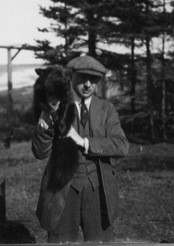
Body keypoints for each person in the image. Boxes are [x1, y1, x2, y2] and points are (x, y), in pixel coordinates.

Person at [32, 55, 129, 243]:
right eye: (83, 77)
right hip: (62, 191)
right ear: (71, 77)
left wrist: (83, 141)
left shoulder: (106, 109)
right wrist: (44, 125)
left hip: (98, 191)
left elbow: (122, 145)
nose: (87, 84)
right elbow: (39, 152)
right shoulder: (56, 105)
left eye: (93, 79)